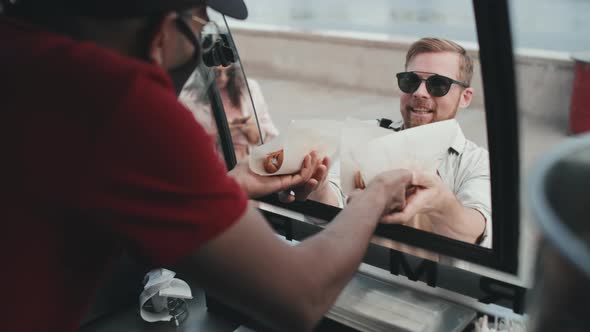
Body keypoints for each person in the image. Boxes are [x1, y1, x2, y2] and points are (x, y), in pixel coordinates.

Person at [1, 1, 416, 332]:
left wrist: (233, 184)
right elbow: (300, 297)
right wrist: (374, 196)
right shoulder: (117, 100)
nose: (203, 47)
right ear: (163, 30)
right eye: (200, 29)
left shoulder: (22, 54)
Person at [312, 38, 491, 248]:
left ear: (465, 97)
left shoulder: (476, 161)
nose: (419, 92)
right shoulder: (369, 136)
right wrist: (318, 185)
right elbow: (331, 207)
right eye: (410, 81)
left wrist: (440, 202)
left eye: (438, 84)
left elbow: (476, 230)